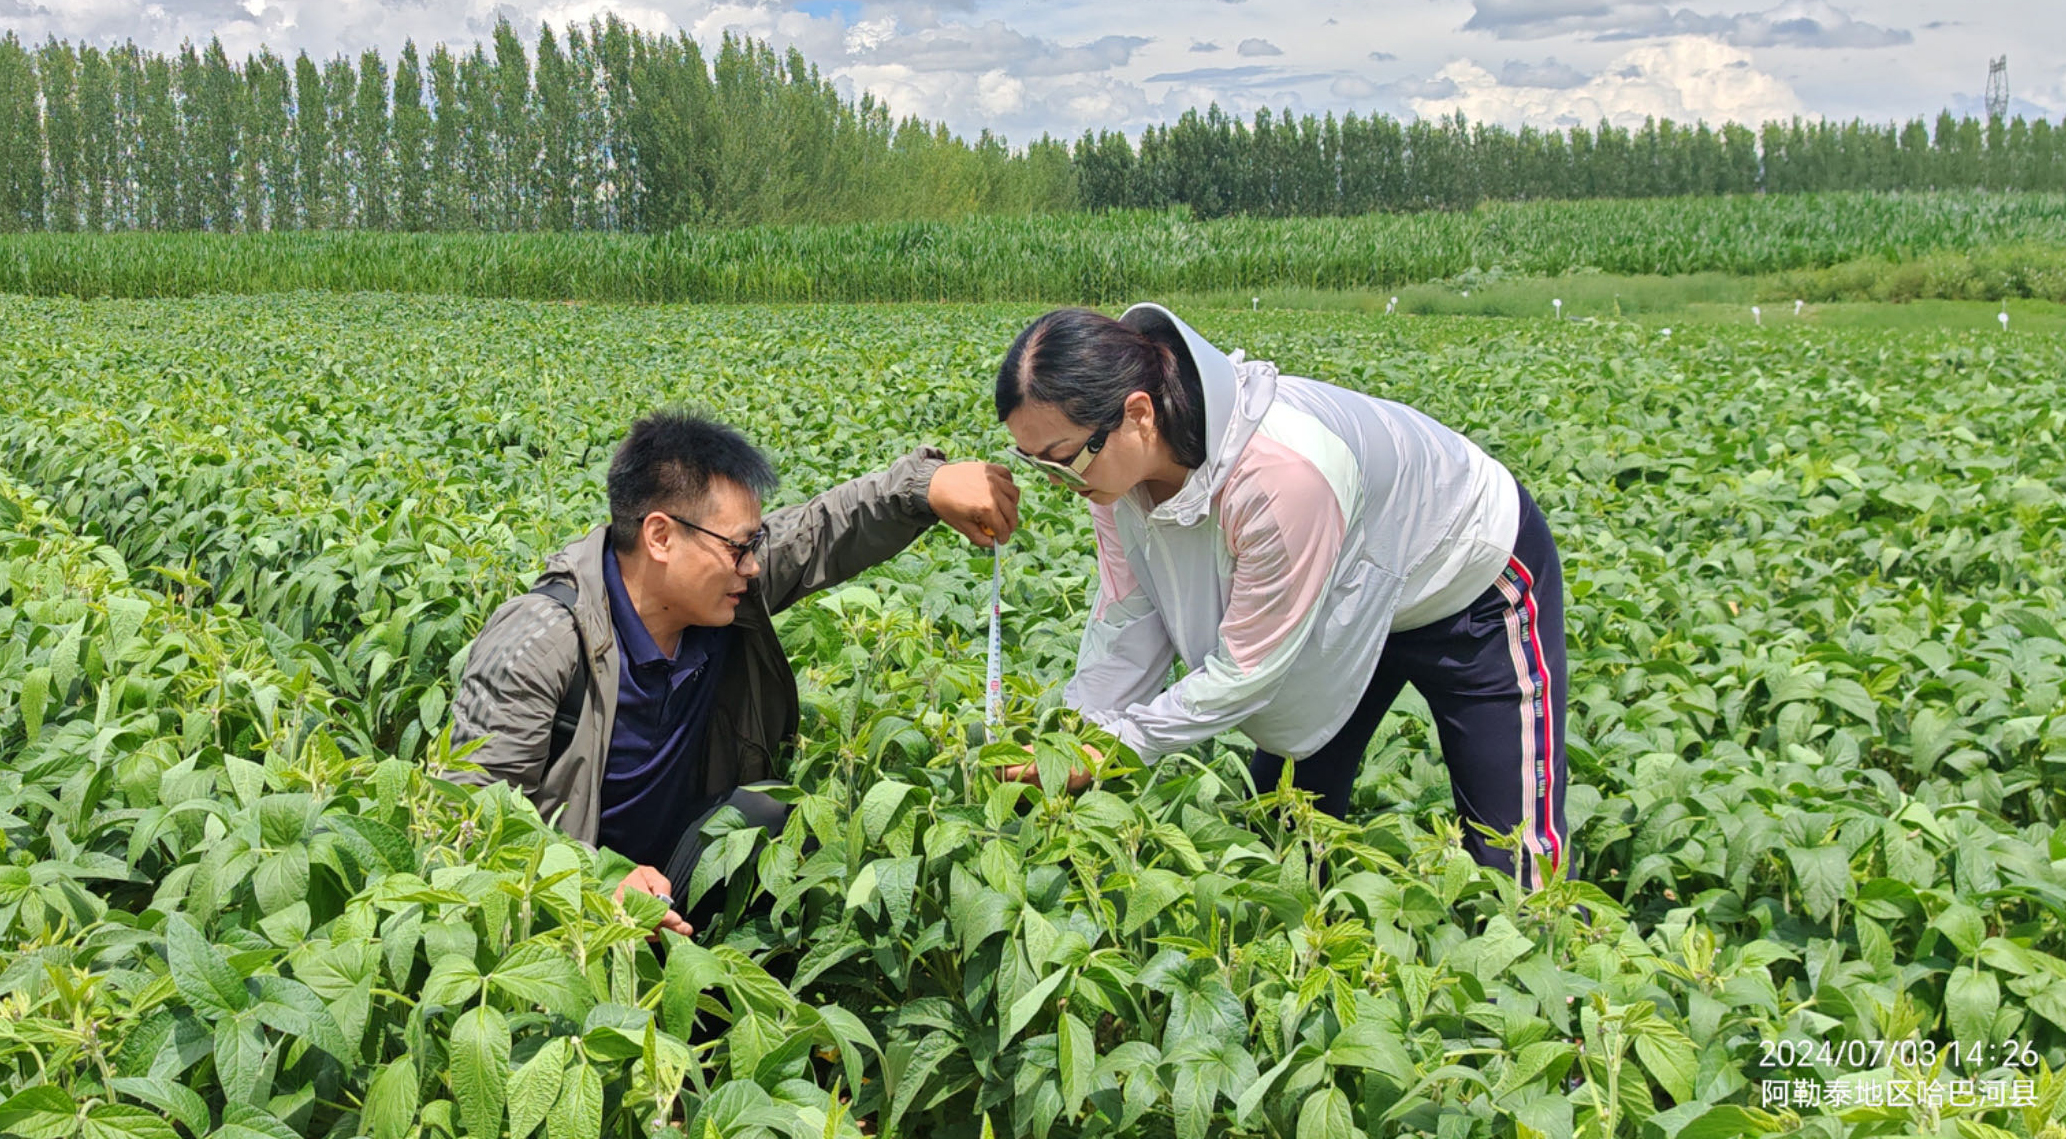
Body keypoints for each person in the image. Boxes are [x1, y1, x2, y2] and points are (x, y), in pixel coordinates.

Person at [995, 304, 1568, 888]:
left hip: (1465, 580)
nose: (1056, 483)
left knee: (1512, 856)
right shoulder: (1111, 479)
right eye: (1034, 462)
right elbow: (1128, 619)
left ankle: (1536, 965)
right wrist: (1073, 741)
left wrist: (1116, 748)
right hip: (1337, 598)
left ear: (1138, 413)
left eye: (1061, 460)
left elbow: (1246, 669)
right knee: (1288, 831)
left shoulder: (1281, 475)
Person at [448, 410, 1021, 936]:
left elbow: (821, 530)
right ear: (660, 536)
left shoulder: (719, 594)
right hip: (568, 919)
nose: (752, 566)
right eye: (739, 547)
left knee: (771, 809)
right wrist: (593, 885)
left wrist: (923, 487)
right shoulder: (543, 640)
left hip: (678, 880)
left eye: (756, 545)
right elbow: (470, 822)